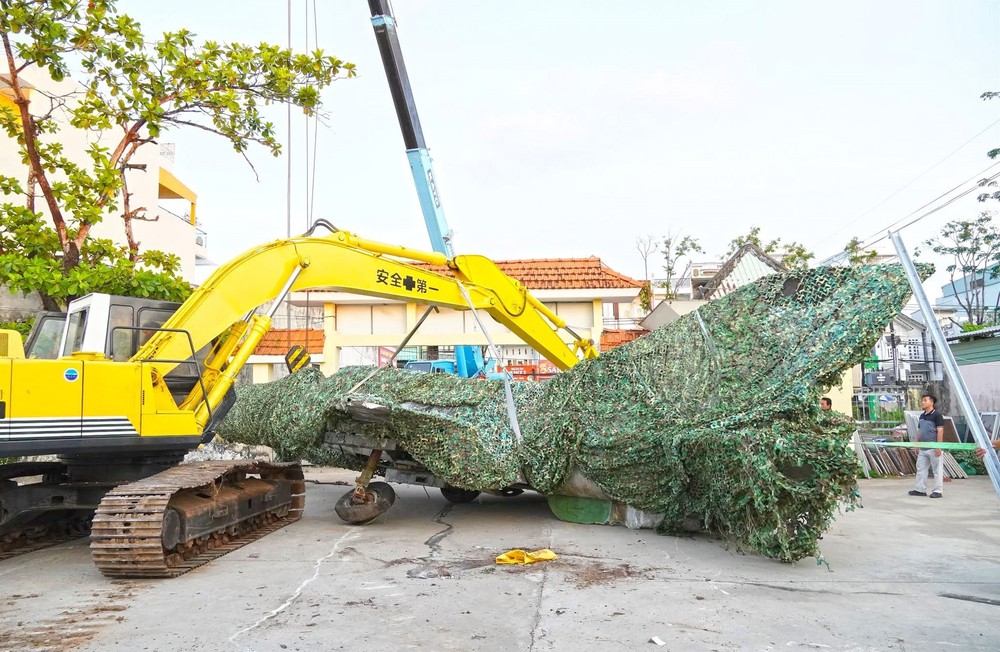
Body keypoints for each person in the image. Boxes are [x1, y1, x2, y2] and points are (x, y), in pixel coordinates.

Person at [909, 393, 945, 499]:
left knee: (937, 470)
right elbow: (920, 431)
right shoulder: (922, 416)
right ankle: (920, 489)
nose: (923, 402)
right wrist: (917, 445)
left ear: (931, 402)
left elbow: (940, 431)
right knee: (921, 469)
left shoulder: (937, 415)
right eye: (922, 400)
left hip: (933, 448)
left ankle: (938, 491)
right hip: (923, 448)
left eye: (925, 400)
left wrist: (938, 446)